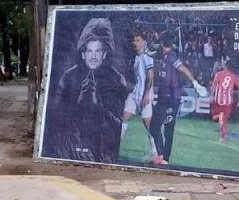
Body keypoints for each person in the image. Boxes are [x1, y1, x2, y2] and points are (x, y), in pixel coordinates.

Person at [46, 18, 128, 163]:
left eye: (98, 51)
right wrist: (79, 102)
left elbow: (118, 127)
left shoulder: (117, 79)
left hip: (102, 151)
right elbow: (55, 120)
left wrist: (96, 106)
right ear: (83, 54)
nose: (93, 56)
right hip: (71, 150)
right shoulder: (69, 77)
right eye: (89, 51)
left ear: (104, 54)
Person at [150, 30, 208, 165]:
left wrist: (195, 83)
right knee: (155, 126)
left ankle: (164, 159)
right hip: (163, 97)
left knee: (166, 128)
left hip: (171, 98)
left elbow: (183, 68)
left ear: (162, 43)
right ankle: (161, 156)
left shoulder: (171, 56)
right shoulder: (162, 56)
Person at [121, 33, 157, 159]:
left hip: (145, 95)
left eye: (137, 40)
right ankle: (113, 147)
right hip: (135, 93)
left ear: (144, 42)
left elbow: (151, 76)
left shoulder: (147, 57)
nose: (134, 43)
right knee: (124, 117)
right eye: (134, 40)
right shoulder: (137, 58)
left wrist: (147, 94)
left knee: (148, 124)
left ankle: (154, 152)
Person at [210, 60, 239, 142]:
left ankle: (223, 136)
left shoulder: (219, 74)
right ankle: (222, 135)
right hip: (228, 101)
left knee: (218, 118)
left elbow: (214, 85)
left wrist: (212, 95)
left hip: (218, 99)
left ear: (226, 66)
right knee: (222, 120)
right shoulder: (234, 76)